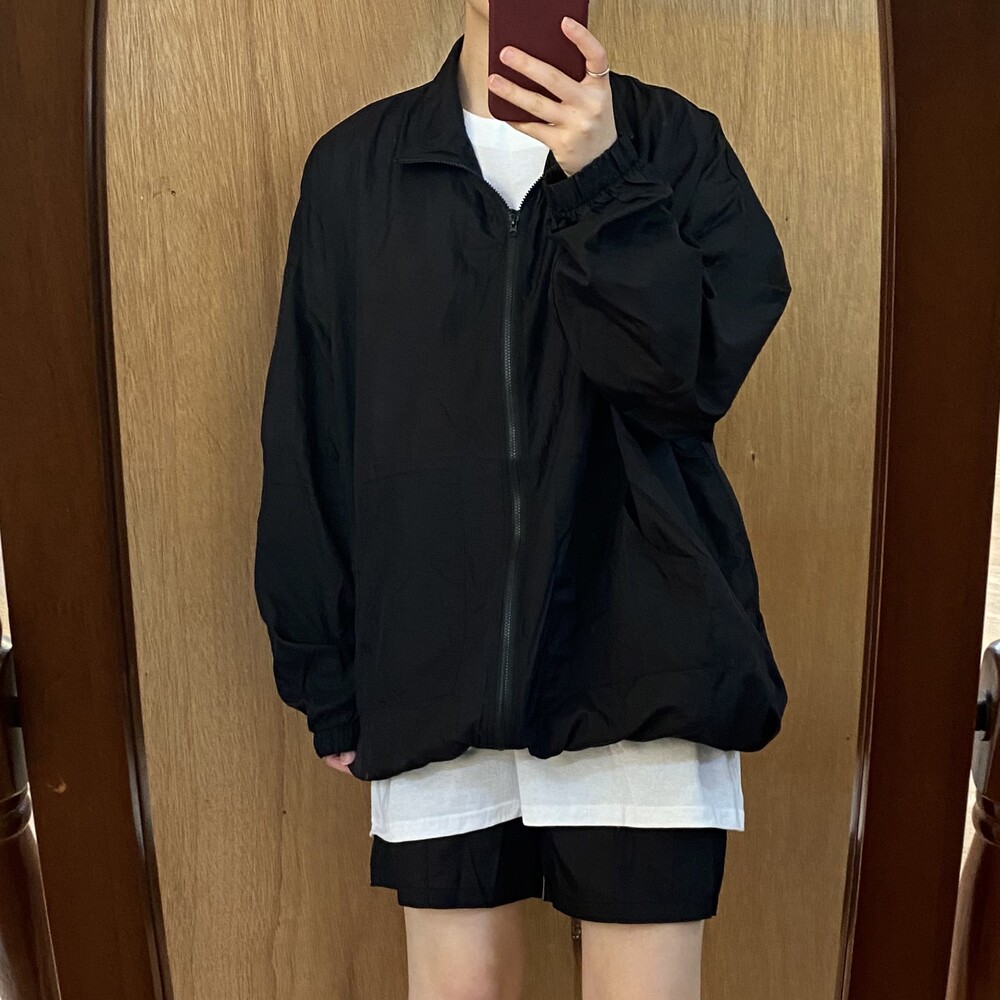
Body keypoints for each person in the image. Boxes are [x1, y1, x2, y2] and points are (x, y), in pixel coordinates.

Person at [253, 3, 791, 998]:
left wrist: (604, 178)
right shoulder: (357, 169)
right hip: (432, 668)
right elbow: (310, 429)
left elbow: (680, 385)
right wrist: (321, 666)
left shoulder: (674, 147)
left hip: (641, 658)